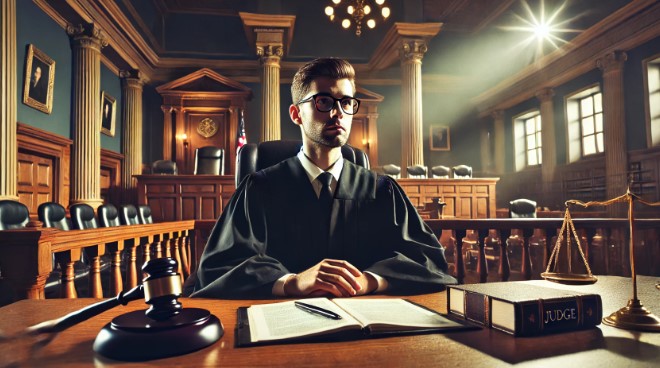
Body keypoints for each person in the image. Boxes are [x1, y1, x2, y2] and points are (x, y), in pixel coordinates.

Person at [192, 58, 456, 299]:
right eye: (325, 102)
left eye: (347, 102)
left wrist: (369, 281)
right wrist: (292, 282)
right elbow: (219, 267)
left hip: (367, 327)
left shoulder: (381, 189)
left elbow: (428, 260)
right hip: (281, 327)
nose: (339, 112)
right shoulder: (259, 189)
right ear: (296, 114)